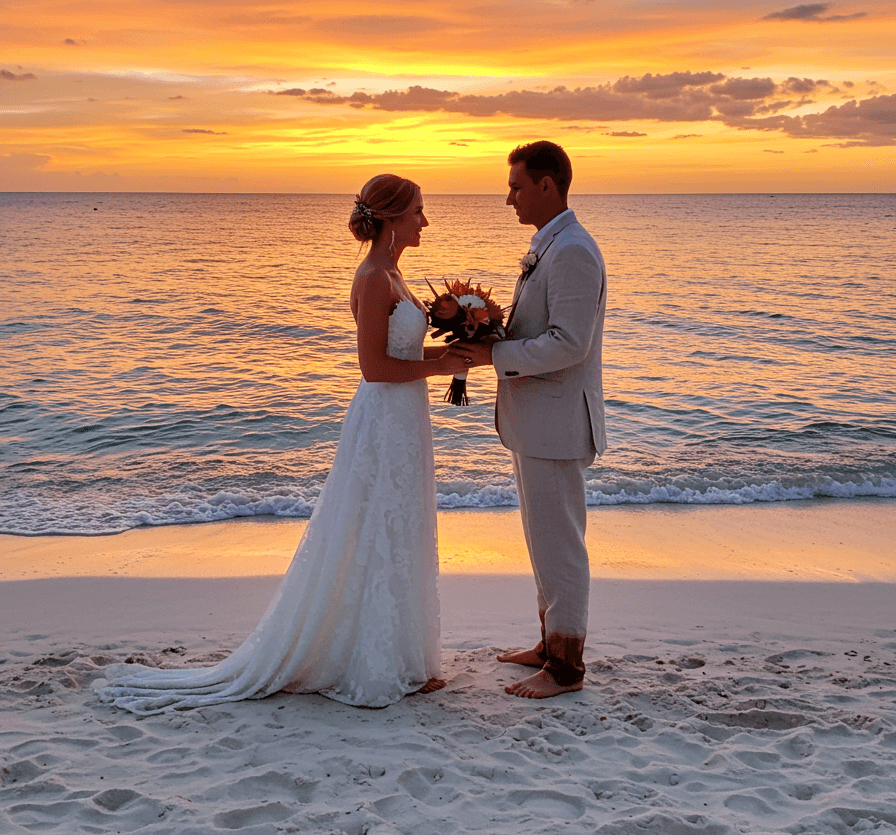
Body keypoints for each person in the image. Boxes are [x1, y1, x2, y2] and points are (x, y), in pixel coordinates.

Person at [99, 175, 471, 712]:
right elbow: (373, 368)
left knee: (401, 523)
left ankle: (405, 657)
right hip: (384, 417)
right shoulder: (372, 278)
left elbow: (408, 355)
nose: (425, 220)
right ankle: (372, 663)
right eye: (418, 210)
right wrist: (441, 367)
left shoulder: (396, 272)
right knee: (374, 525)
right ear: (392, 217)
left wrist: (458, 355)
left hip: (407, 418)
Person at [453, 141, 606, 699]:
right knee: (541, 540)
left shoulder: (573, 252)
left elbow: (569, 344)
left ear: (547, 186)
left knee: (560, 545)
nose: (509, 197)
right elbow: (539, 328)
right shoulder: (550, 246)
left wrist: (493, 355)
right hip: (534, 420)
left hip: (558, 422)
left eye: (517, 186)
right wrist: (491, 333)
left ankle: (566, 668)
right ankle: (548, 643)